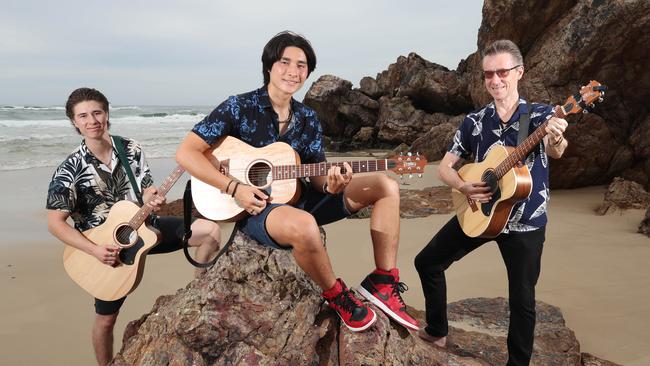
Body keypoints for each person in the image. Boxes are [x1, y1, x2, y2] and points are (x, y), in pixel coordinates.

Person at [175, 31, 419, 333]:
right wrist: (234, 188)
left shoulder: (308, 118)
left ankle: (383, 281)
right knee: (304, 225)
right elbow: (186, 153)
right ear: (269, 66)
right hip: (256, 208)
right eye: (285, 62)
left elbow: (317, 175)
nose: (293, 71)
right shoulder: (238, 107)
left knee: (386, 185)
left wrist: (331, 184)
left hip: (300, 197)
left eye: (302, 65)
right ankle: (336, 295)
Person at [414, 39, 568, 365]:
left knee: (522, 299)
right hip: (481, 210)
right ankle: (438, 330)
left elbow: (557, 149)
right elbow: (444, 167)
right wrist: (463, 186)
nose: (495, 80)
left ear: (519, 72)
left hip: (525, 221)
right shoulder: (475, 121)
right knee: (427, 261)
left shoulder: (541, 115)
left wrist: (555, 135)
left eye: (502, 72)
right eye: (488, 74)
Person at [46, 87, 221, 366]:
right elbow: (55, 223)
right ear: (74, 122)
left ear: (106, 114)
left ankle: (199, 300)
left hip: (147, 230)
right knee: (106, 321)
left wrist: (154, 199)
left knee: (210, 231)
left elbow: (146, 190)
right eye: (83, 116)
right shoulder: (70, 169)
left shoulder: (130, 149)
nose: (91, 120)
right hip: (109, 251)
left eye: (97, 112)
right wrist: (94, 250)